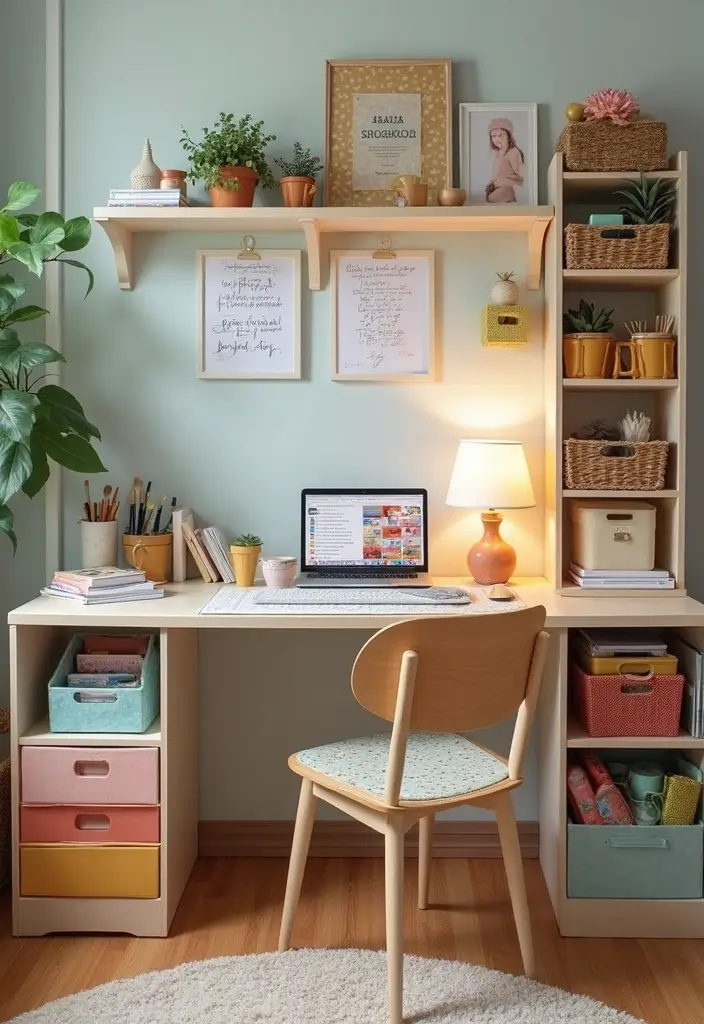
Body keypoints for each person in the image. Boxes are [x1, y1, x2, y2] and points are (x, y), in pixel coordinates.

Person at [485, 118, 524, 203]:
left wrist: (504, 180)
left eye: (500, 135)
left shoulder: (514, 152)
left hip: (508, 190)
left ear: (508, 135)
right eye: (494, 136)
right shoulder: (498, 154)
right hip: (498, 188)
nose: (497, 139)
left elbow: (520, 176)